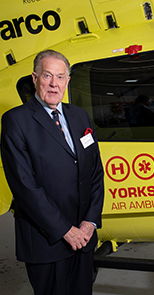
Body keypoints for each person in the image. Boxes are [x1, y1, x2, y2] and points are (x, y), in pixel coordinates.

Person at [1, 50, 104, 295]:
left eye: (60, 77)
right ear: (35, 78)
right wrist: (66, 231)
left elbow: (95, 173)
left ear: (68, 81)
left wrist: (89, 223)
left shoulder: (80, 116)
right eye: (47, 76)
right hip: (47, 240)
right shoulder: (16, 121)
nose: (54, 84)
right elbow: (25, 187)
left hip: (84, 237)